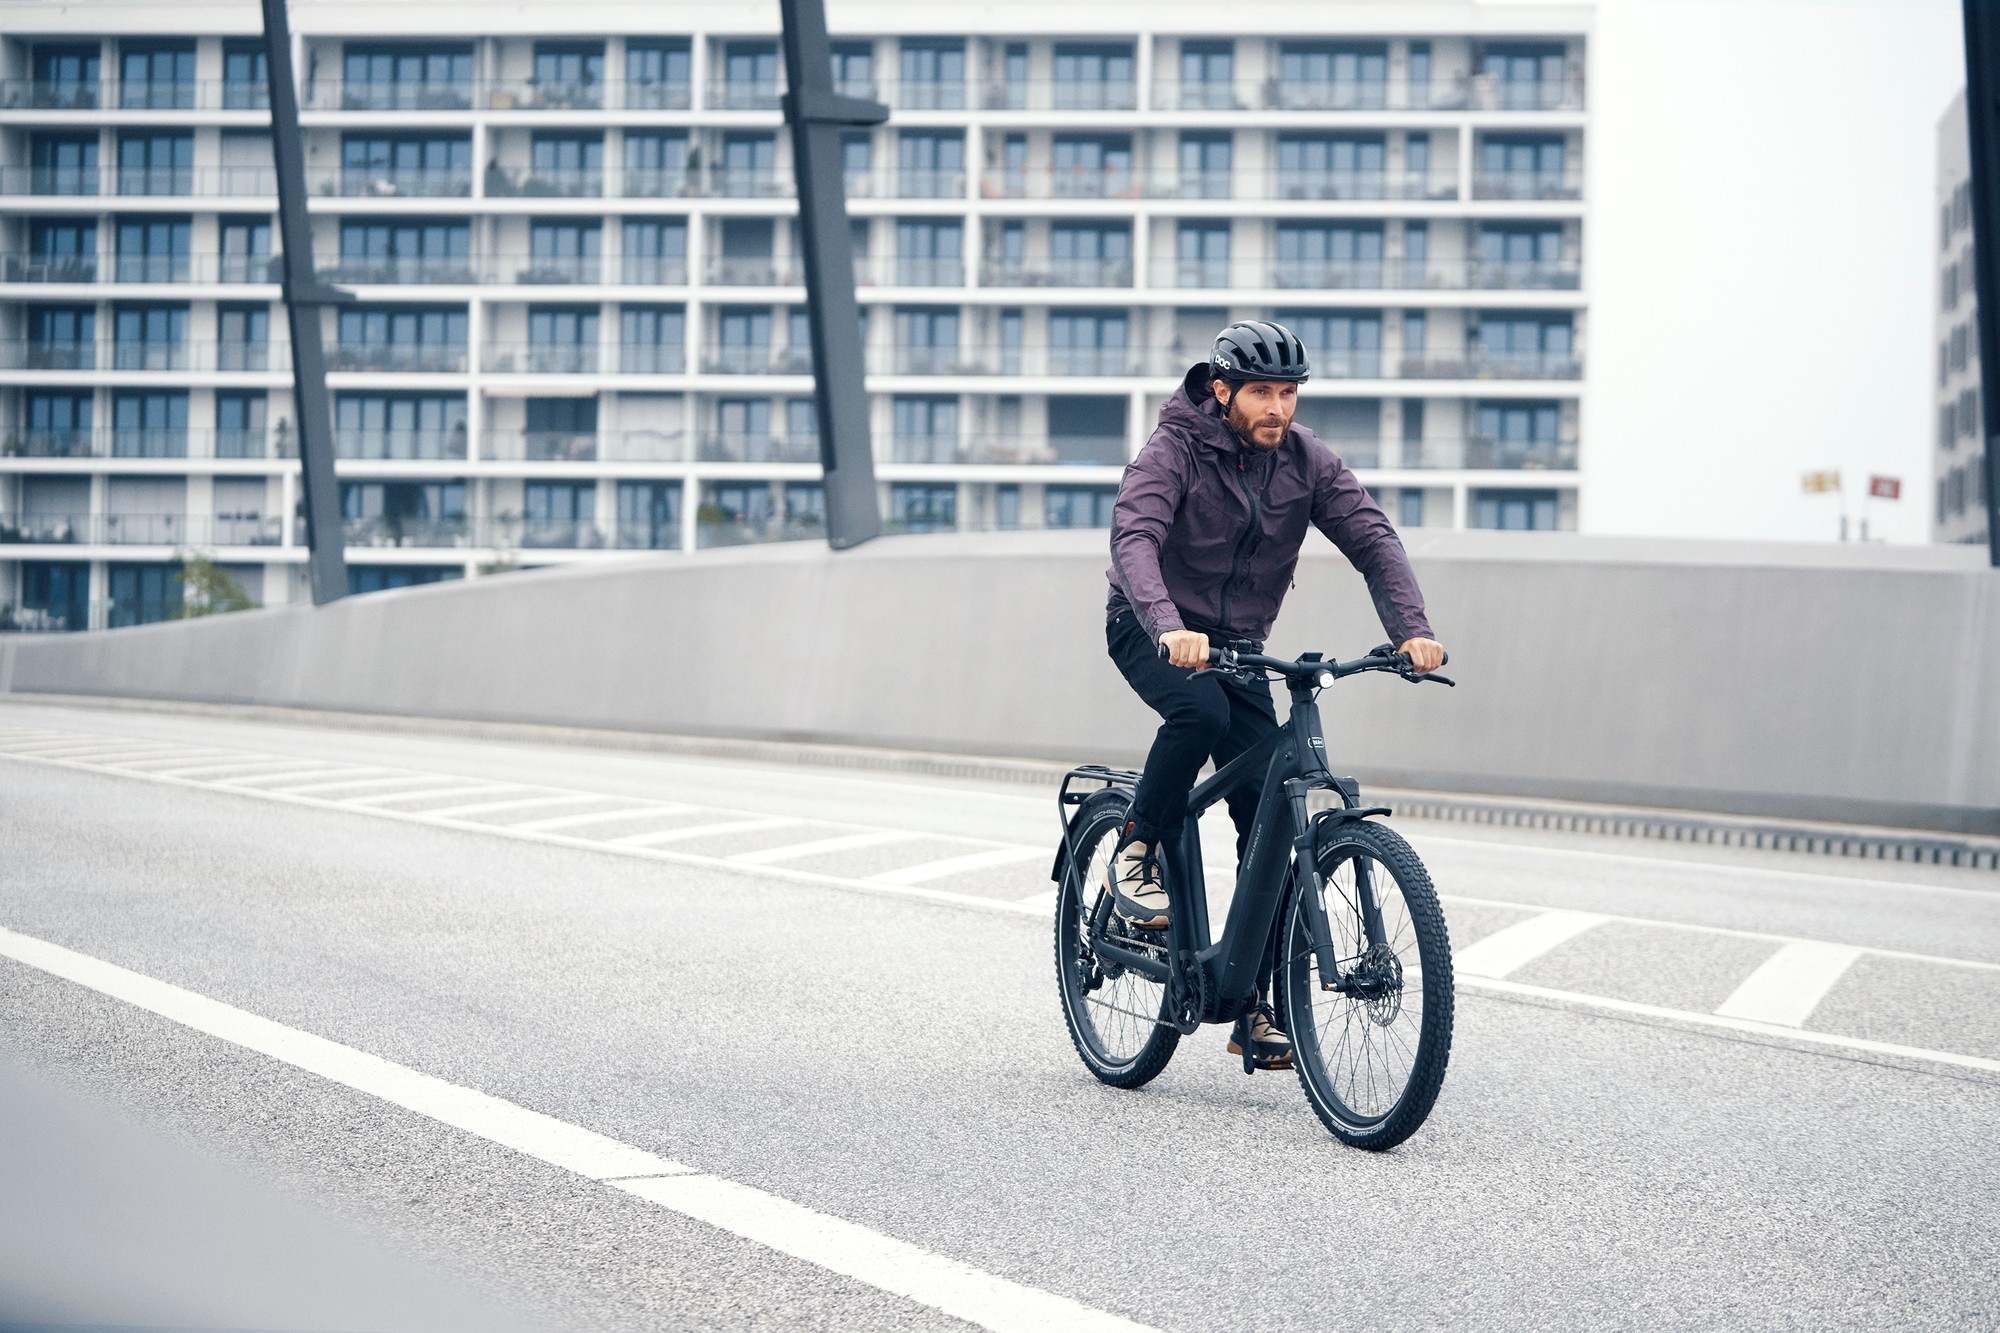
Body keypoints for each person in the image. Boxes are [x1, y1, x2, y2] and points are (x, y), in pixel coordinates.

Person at [1103, 320, 1445, 1069]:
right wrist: (1167, 625)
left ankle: (1251, 1001)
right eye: (1262, 392)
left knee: (1268, 803)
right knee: (1201, 710)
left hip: (1238, 648)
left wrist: (1412, 630)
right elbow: (1134, 538)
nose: (1277, 408)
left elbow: (1374, 540)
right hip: (1147, 624)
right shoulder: (1176, 449)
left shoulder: (1306, 461)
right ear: (1222, 389)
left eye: (1288, 393)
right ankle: (1135, 847)